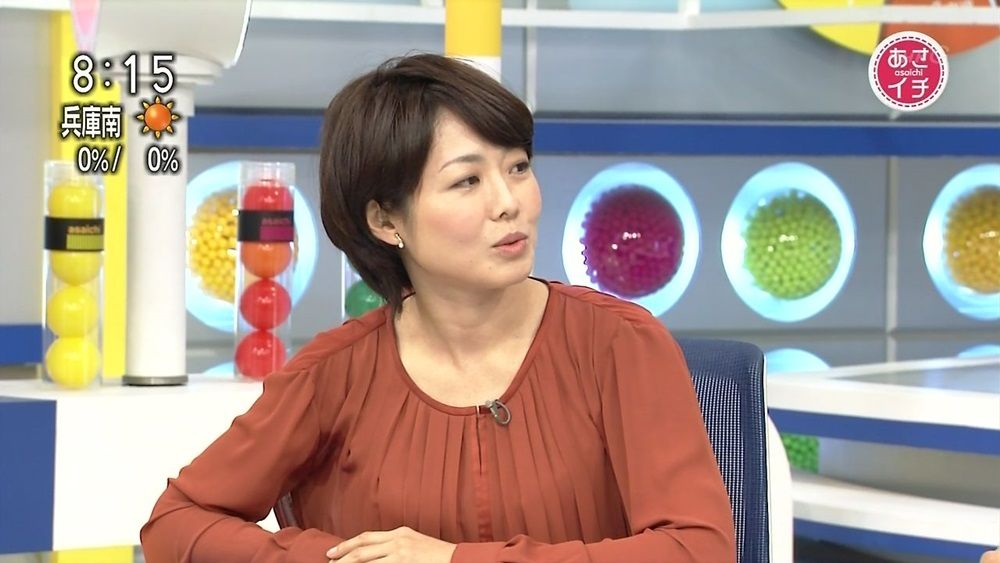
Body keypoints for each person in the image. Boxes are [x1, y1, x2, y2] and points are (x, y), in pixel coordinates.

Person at [140, 53, 736, 563]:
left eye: (518, 168)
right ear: (385, 220)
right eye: (466, 181)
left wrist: (454, 559)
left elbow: (698, 549)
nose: (509, 202)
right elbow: (175, 522)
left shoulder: (619, 343)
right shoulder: (333, 376)